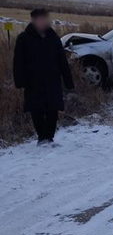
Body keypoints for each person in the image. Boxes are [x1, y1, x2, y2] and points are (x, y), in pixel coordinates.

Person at [13, 8, 75, 145]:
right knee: (37, 109)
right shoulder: (23, 38)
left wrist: (68, 80)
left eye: (44, 19)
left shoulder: (53, 38)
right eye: (39, 19)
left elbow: (62, 61)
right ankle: (42, 138)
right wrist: (20, 81)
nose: (42, 22)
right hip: (33, 81)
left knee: (53, 108)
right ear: (33, 21)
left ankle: (49, 138)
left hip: (52, 80)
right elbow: (18, 62)